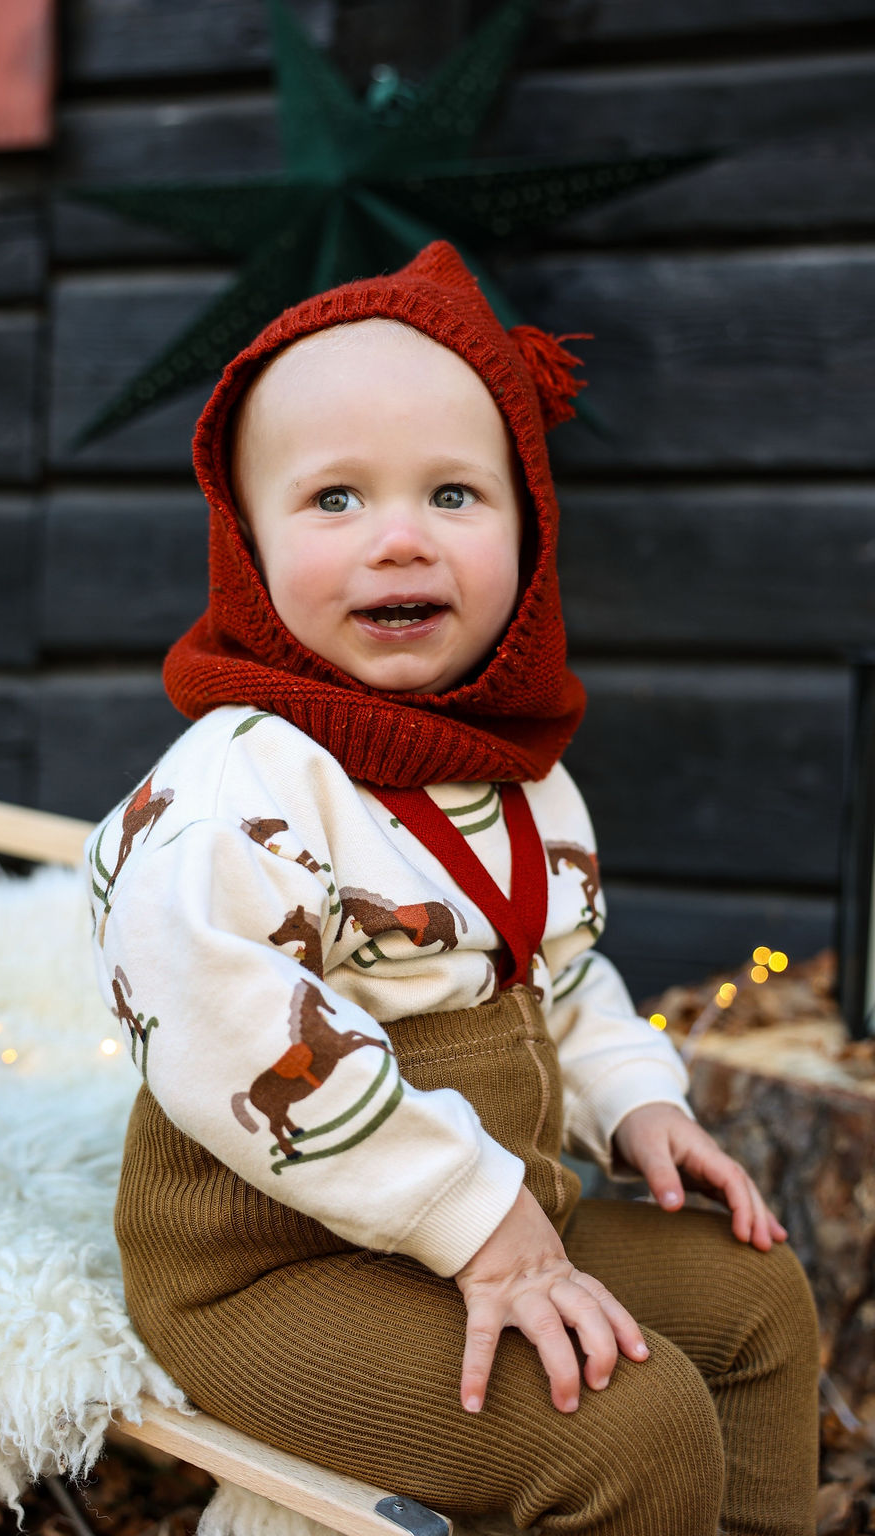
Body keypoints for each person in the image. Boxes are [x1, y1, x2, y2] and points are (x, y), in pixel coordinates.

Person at [85, 241, 818, 1536]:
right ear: (246, 545)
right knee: (631, 1435)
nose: (402, 538)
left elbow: (560, 971)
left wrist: (636, 1105)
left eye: (456, 495)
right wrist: (478, 1223)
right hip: (277, 1272)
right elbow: (223, 1017)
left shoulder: (527, 780)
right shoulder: (239, 783)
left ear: (528, 536)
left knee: (755, 1303)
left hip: (497, 1206)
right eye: (335, 501)